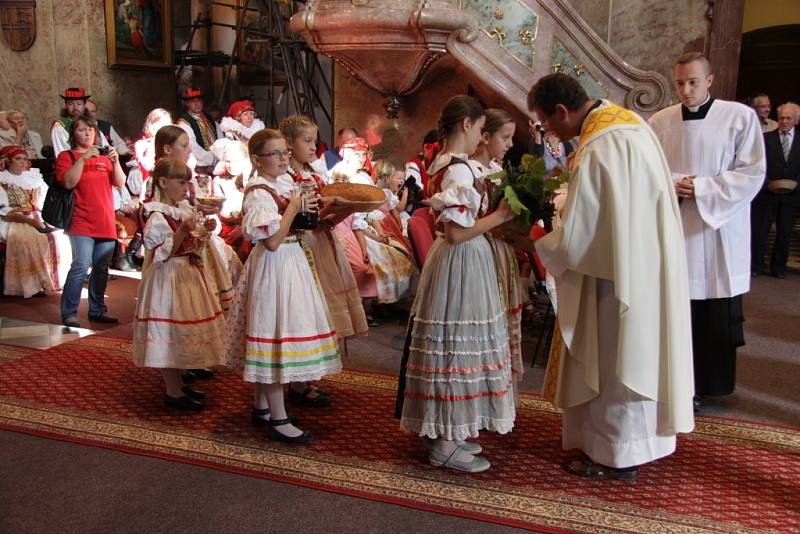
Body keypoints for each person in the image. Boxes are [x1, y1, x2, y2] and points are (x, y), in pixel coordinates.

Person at [530, 73, 695, 480]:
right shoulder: (630, 123)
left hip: (612, 276)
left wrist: (537, 238)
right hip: (641, 264)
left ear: (562, 111)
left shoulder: (599, 146)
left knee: (613, 360)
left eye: (547, 123)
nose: (549, 132)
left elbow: (579, 235)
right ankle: (629, 446)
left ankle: (616, 456)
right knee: (634, 353)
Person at [396, 95, 516, 473]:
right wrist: (499, 216)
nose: (482, 136)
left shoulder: (451, 165)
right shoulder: (459, 171)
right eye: (481, 128)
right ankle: (445, 442)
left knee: (457, 346)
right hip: (461, 260)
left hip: (461, 261)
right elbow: (456, 233)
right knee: (454, 349)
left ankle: (451, 429)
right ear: (466, 125)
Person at [649, 52, 765, 400]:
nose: (685, 90)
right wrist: (674, 183)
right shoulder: (660, 121)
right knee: (676, 310)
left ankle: (711, 385)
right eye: (680, 83)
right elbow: (650, 169)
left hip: (719, 228)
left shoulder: (739, 117)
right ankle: (676, 385)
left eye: (693, 82)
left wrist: (703, 187)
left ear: (710, 80)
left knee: (713, 311)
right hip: (677, 222)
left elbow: (752, 172)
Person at [224, 129, 340, 444]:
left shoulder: (282, 183)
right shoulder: (258, 192)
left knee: (276, 330)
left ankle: (261, 406)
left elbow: (296, 226)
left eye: (283, 152)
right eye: (275, 153)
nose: (283, 158)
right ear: (256, 159)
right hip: (274, 265)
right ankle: (278, 417)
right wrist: (292, 208)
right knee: (275, 336)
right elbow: (273, 240)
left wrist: (311, 206)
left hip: (291, 261)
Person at [278, 114, 368, 407]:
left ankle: (304, 381)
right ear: (289, 144)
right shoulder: (284, 179)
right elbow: (291, 220)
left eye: (314, 141)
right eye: (307, 141)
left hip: (321, 244)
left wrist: (343, 209)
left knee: (321, 313)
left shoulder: (314, 176)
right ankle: (293, 380)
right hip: (297, 247)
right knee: (302, 313)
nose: (313, 146)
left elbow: (323, 220)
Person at [132, 157, 225, 410]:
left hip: (186, 274)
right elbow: (161, 253)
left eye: (187, 181)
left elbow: (190, 243)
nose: (186, 187)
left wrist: (202, 233)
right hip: (168, 278)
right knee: (169, 332)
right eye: (180, 181)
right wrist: (183, 231)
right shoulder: (156, 214)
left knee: (180, 333)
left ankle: (179, 384)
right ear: (163, 182)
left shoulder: (181, 208)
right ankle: (173, 391)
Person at [470, 108, 527, 395]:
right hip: (482, 255)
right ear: (484, 136)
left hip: (501, 253)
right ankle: (480, 390)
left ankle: (500, 391)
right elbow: (466, 225)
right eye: (505, 137)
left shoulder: (495, 171)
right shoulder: (470, 173)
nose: (510, 144)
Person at [55, 115, 125, 328]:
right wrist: (83, 160)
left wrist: (116, 161)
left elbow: (119, 182)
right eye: (82, 130)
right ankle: (69, 312)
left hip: (105, 220)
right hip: (81, 220)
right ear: (73, 134)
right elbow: (68, 182)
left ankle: (97, 310)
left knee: (102, 268)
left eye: (90, 130)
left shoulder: (105, 158)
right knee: (80, 266)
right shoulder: (66, 156)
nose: (87, 133)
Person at [0, 145, 59, 297]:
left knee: (60, 235)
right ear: (7, 161)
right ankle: (31, 285)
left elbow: (46, 200)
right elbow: (4, 211)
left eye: (24, 159)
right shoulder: (2, 180)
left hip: (36, 215)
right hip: (12, 218)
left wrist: (42, 217)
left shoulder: (33, 178)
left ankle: (53, 280)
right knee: (27, 239)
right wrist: (30, 221)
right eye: (17, 159)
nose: (22, 162)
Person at [751, 102, 800, 278]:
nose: (784, 121)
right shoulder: (765, 139)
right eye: (781, 118)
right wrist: (768, 183)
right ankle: (756, 266)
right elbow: (757, 165)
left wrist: (795, 184)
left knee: (784, 233)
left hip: (791, 196)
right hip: (767, 194)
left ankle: (778, 268)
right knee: (760, 232)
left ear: (796, 121)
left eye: (788, 118)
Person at [51, 88, 109, 157]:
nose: (75, 108)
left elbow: (105, 147)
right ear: (66, 106)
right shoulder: (60, 126)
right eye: (70, 104)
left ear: (84, 105)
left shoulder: (92, 124)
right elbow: (61, 155)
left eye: (79, 104)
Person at [130, 108, 173, 200]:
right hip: (149, 196)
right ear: (151, 126)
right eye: (160, 125)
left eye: (167, 125)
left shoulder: (174, 147)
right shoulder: (143, 146)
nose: (164, 128)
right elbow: (135, 185)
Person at [176, 87, 222, 170]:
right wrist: (212, 159)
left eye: (199, 100)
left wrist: (219, 157)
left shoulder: (210, 119)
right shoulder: (184, 123)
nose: (196, 104)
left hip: (218, 163)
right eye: (193, 101)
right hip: (199, 167)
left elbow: (220, 138)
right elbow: (193, 147)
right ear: (187, 104)